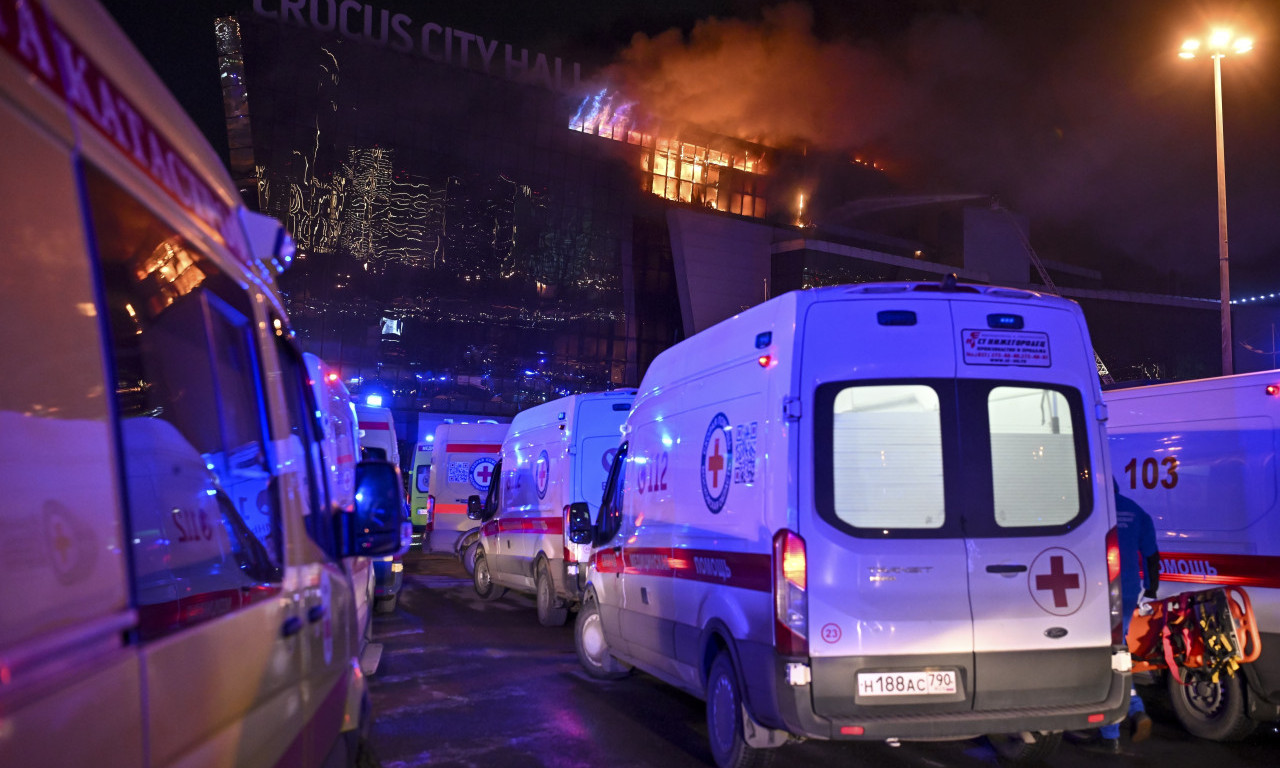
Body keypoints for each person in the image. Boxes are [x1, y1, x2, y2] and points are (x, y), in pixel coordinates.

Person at [1095, 478, 1161, 752]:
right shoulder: (1135, 510)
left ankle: (1112, 732)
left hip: (1100, 589)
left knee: (1106, 655)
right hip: (1129, 589)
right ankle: (1132, 711)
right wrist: (1151, 590)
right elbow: (1152, 555)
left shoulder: (1092, 511)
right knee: (1118, 650)